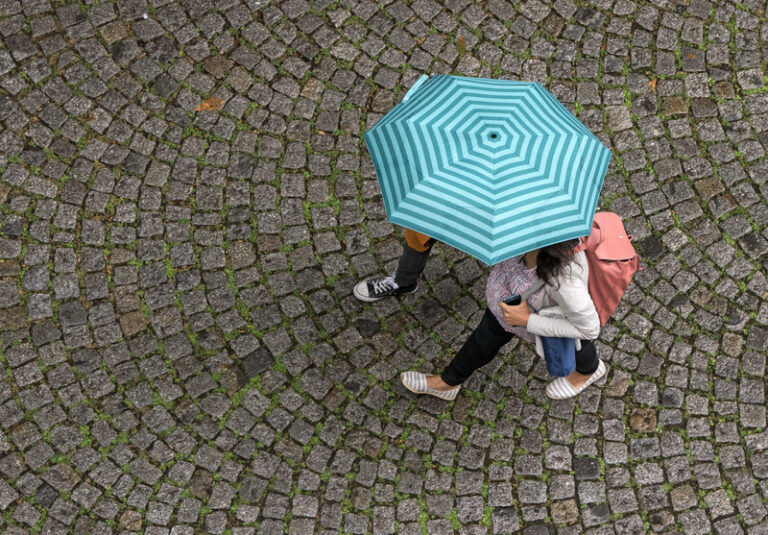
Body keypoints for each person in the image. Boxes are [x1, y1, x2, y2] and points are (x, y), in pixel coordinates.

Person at [354, 230, 607, 400]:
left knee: (577, 344)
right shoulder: (524, 237)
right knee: (483, 341)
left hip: (527, 316)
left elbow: (588, 328)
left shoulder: (565, 279)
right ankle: (448, 382)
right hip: (505, 308)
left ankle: (589, 369)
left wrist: (528, 321)